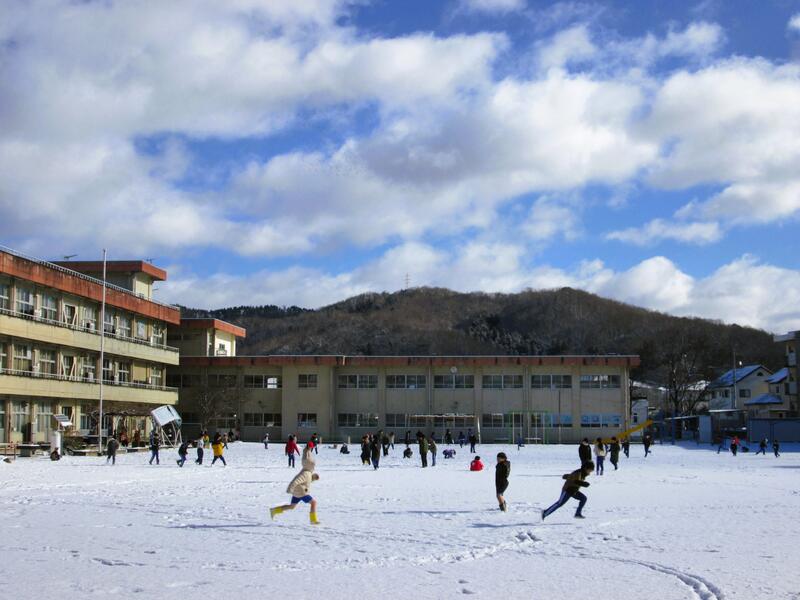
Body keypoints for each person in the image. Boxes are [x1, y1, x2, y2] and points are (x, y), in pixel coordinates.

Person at [270, 455, 321, 525]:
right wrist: (290, 489)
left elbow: (306, 480)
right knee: (313, 503)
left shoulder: (308, 472)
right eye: (313, 466)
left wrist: (313, 478)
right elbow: (296, 481)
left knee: (292, 506)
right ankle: (313, 520)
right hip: (302, 492)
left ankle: (274, 510)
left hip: (297, 492)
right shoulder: (305, 473)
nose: (314, 467)